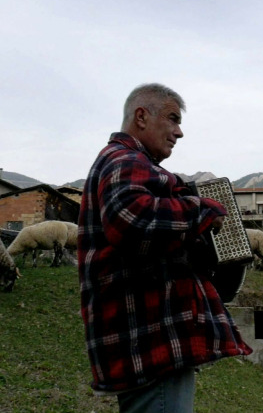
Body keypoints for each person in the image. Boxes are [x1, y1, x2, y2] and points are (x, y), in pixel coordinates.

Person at [78, 83, 252, 413]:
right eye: (172, 119)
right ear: (141, 116)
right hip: (152, 344)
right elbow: (132, 219)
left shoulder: (131, 164)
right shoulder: (124, 160)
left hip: (150, 343)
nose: (179, 132)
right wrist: (202, 210)